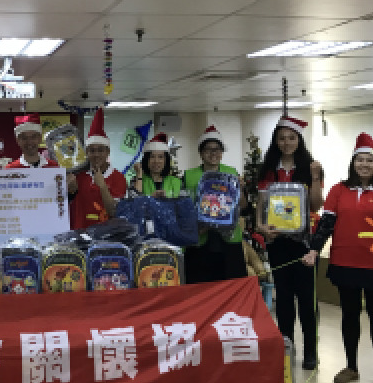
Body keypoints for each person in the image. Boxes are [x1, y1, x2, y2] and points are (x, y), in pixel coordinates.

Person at [302, 133, 373, 383]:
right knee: (350, 316)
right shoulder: (339, 190)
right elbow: (326, 223)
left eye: (370, 160)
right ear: (353, 162)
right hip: (346, 261)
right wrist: (314, 249)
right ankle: (351, 366)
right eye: (360, 160)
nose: (364, 164)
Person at [256, 115, 323, 370]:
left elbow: (316, 205)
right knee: (283, 299)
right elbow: (261, 206)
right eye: (282, 138)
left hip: (304, 244)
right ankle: (287, 348)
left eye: (291, 138)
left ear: (299, 140)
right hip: (277, 243)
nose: (286, 142)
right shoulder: (268, 170)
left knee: (306, 300)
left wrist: (315, 178)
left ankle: (311, 351)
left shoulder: (309, 168)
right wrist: (261, 227)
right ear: (275, 140)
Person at [182, 125, 248, 283]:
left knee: (231, 286)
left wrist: (240, 189)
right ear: (201, 153)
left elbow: (243, 206)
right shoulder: (189, 176)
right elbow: (183, 208)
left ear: (222, 152)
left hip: (228, 240)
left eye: (217, 149)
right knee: (200, 287)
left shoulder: (232, 173)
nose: (213, 153)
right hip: (199, 239)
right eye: (208, 149)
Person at [68, 107, 126, 230]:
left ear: (108, 152)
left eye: (100, 150)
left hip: (108, 235)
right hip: (81, 234)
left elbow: (114, 211)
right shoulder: (78, 176)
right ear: (87, 152)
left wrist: (102, 185)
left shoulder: (118, 178)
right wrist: (70, 190)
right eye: (92, 150)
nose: (96, 154)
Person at [132, 132, 181, 197]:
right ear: (146, 160)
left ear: (166, 160)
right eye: (152, 156)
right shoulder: (137, 180)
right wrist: (139, 174)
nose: (156, 161)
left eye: (160, 157)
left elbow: (183, 202)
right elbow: (134, 201)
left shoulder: (176, 182)